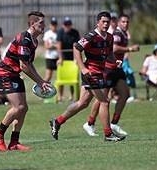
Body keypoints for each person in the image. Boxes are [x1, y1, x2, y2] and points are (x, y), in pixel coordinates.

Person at [49, 11, 125, 142]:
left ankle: (57, 121)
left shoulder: (109, 38)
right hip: (91, 72)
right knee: (104, 101)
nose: (106, 24)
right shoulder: (91, 36)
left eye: (108, 22)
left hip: (99, 72)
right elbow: (76, 48)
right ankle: (108, 134)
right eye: (103, 21)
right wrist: (83, 68)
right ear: (98, 22)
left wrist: (114, 61)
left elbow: (109, 54)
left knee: (82, 103)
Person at [0, 11, 51, 152]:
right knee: (18, 107)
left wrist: (40, 80)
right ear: (32, 24)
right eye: (41, 23)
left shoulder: (34, 41)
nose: (44, 25)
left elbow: (29, 63)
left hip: (14, 75)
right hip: (4, 74)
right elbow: (23, 66)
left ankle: (14, 142)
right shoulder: (24, 39)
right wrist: (40, 81)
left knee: (23, 108)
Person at [83, 14, 139, 137]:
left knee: (124, 94)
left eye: (127, 22)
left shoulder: (121, 34)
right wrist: (129, 49)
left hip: (117, 68)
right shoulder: (117, 34)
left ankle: (114, 123)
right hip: (108, 69)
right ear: (118, 23)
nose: (125, 24)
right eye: (123, 22)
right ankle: (90, 123)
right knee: (102, 99)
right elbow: (113, 49)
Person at [56, 16, 80, 102]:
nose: (67, 26)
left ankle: (71, 96)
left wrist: (76, 58)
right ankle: (60, 96)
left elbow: (75, 45)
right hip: (63, 56)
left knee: (71, 76)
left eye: (69, 24)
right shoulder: (60, 32)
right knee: (61, 77)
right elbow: (58, 45)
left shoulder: (75, 32)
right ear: (63, 25)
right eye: (66, 24)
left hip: (72, 56)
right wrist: (60, 58)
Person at [42, 17, 59, 82]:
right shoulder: (47, 34)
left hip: (58, 58)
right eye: (52, 25)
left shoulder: (59, 33)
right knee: (48, 76)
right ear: (50, 25)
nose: (54, 26)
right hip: (50, 57)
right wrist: (55, 46)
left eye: (55, 24)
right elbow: (46, 46)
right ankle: (42, 89)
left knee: (61, 77)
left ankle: (60, 92)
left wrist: (52, 45)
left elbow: (60, 45)